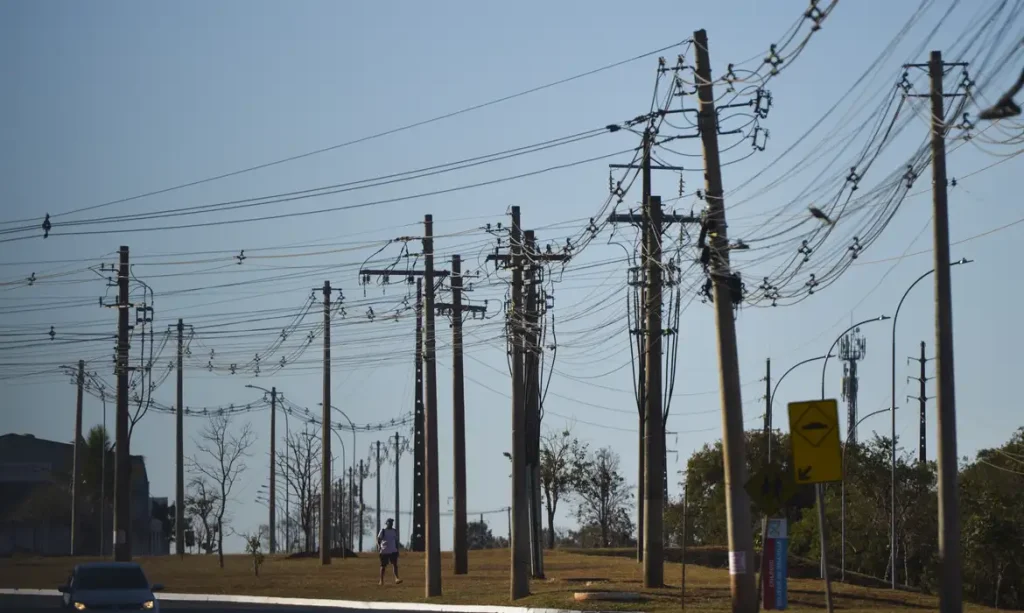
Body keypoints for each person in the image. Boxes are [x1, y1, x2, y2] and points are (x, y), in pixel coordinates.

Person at [377, 518, 402, 585]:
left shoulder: (394, 531)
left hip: (393, 550)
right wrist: (379, 546)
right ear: (386, 523)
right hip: (384, 551)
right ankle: (381, 580)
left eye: (392, 522)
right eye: (390, 522)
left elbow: (396, 541)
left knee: (395, 565)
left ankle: (397, 578)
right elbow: (378, 539)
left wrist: (397, 549)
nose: (391, 524)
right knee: (383, 566)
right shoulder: (383, 530)